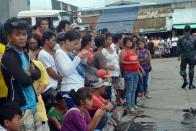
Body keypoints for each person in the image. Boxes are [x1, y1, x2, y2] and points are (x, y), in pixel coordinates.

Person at [2, 17, 41, 130]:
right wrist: (30, 74)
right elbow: (25, 81)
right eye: (18, 34)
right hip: (21, 108)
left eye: (24, 34)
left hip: (32, 104)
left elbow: (38, 73)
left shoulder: (24, 54)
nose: (22, 37)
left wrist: (30, 73)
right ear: (9, 37)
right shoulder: (9, 56)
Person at [55, 30, 88, 109]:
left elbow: (77, 69)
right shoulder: (59, 53)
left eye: (78, 43)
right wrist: (78, 57)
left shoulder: (70, 52)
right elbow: (66, 72)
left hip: (78, 88)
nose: (76, 46)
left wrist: (83, 58)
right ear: (67, 41)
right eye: (75, 43)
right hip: (69, 90)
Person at [38, 31, 62, 112]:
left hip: (53, 86)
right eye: (53, 40)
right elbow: (50, 72)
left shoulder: (50, 53)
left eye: (55, 40)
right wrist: (61, 79)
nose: (55, 42)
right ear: (46, 41)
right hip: (48, 89)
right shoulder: (43, 54)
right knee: (52, 112)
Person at [119, 37, 141, 114]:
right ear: (125, 43)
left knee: (134, 89)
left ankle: (133, 104)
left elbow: (137, 61)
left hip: (135, 72)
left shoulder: (133, 51)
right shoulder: (123, 51)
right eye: (128, 41)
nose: (130, 43)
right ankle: (129, 106)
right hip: (128, 72)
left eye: (131, 41)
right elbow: (121, 62)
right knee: (129, 90)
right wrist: (130, 63)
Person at [177, 25, 196, 90]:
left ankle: (185, 80)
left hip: (184, 56)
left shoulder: (181, 38)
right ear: (190, 30)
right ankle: (190, 84)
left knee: (182, 70)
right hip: (192, 56)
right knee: (191, 69)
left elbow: (178, 48)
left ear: (184, 30)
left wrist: (178, 55)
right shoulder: (194, 38)